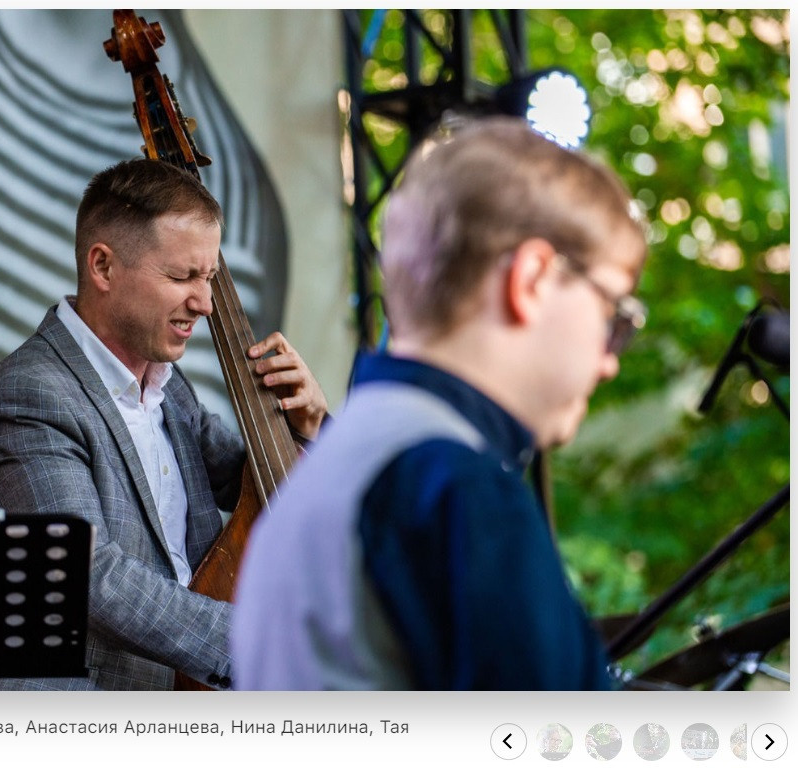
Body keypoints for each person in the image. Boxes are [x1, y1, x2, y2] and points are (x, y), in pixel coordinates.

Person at [231, 117, 648, 690]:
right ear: (532, 279)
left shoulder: (335, 464)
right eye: (613, 314)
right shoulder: (452, 486)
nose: (609, 359)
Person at [0, 158, 328, 690]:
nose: (205, 303)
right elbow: (88, 575)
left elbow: (255, 478)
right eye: (182, 276)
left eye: (209, 277)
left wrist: (310, 425)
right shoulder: (30, 395)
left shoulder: (167, 388)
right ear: (103, 267)